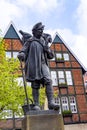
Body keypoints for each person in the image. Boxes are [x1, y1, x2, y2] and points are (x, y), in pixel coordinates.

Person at [17, 22, 59, 111]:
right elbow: (23, 51)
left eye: (42, 30)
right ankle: (36, 104)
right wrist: (21, 55)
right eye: (39, 30)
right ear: (34, 32)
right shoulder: (30, 41)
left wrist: (47, 49)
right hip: (34, 65)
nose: (41, 32)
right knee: (35, 84)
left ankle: (51, 102)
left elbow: (51, 56)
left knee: (48, 80)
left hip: (43, 64)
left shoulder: (44, 41)